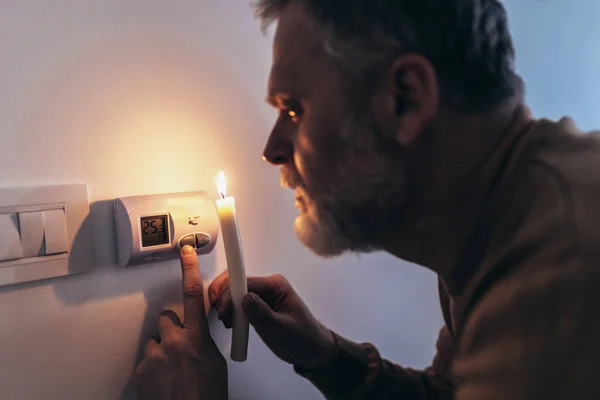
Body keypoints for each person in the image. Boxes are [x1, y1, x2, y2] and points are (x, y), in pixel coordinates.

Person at [133, 0, 600, 399]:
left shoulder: (556, 283)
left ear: (406, 98)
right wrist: (324, 354)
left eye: (293, 108)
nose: (272, 149)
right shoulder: (496, 217)